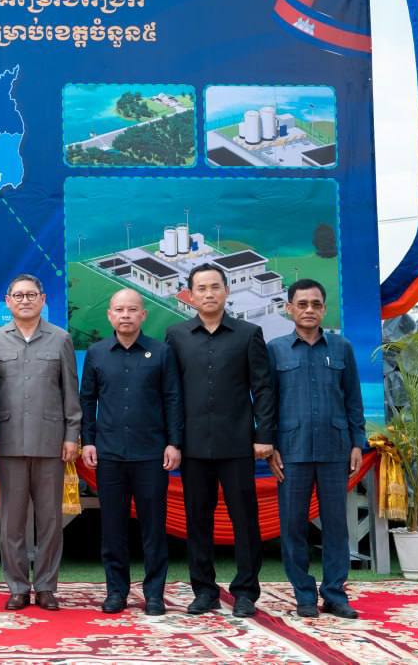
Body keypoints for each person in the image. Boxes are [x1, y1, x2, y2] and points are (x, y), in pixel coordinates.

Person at [165, 263, 276, 618]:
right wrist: (173, 440)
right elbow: (171, 392)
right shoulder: (176, 336)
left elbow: (263, 388)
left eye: (215, 287)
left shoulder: (249, 334)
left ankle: (246, 592)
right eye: (201, 288)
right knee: (197, 520)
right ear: (190, 295)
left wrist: (264, 435)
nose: (209, 293)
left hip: (238, 444)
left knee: (245, 520)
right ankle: (204, 590)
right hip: (193, 446)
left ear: (226, 291)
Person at [79, 289, 183, 616]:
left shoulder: (162, 352)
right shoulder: (97, 353)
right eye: (119, 310)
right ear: (110, 315)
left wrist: (174, 442)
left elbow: (173, 399)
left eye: (132, 309)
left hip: (151, 453)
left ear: (143, 315)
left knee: (153, 527)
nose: (126, 315)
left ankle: (154, 594)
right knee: (113, 527)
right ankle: (116, 592)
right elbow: (87, 400)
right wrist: (87, 440)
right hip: (109, 454)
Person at [267, 279, 365, 619]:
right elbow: (266, 403)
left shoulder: (341, 348)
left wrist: (357, 442)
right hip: (291, 451)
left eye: (316, 304)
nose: (309, 310)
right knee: (293, 525)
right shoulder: (275, 349)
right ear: (289, 308)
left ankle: (335, 594)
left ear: (324, 309)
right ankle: (304, 594)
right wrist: (270, 446)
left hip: (335, 449)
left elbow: (353, 399)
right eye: (302, 304)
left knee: (336, 525)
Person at [0, 274, 81, 611]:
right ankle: (16, 587)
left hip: (51, 442)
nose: (25, 300)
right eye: (18, 295)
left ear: (43, 299)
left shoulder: (60, 339)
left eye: (31, 295)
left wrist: (72, 435)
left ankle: (45, 586)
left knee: (50, 520)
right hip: (8, 442)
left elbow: (70, 391)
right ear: (8, 301)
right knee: (11, 521)